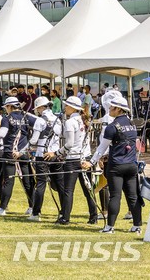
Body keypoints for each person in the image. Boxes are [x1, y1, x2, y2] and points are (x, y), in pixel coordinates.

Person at [84, 96, 143, 234]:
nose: (109, 109)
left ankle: (109, 227)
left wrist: (91, 162)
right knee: (133, 196)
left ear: (118, 109)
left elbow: (101, 148)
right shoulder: (132, 125)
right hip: (131, 165)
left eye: (111, 107)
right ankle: (137, 226)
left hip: (116, 165)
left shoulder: (111, 127)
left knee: (115, 196)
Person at [44, 96, 86, 225]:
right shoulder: (80, 120)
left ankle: (65, 217)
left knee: (68, 190)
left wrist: (56, 153)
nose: (65, 108)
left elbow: (69, 144)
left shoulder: (70, 122)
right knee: (85, 189)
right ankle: (93, 215)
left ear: (72, 108)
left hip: (72, 159)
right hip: (80, 157)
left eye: (67, 106)